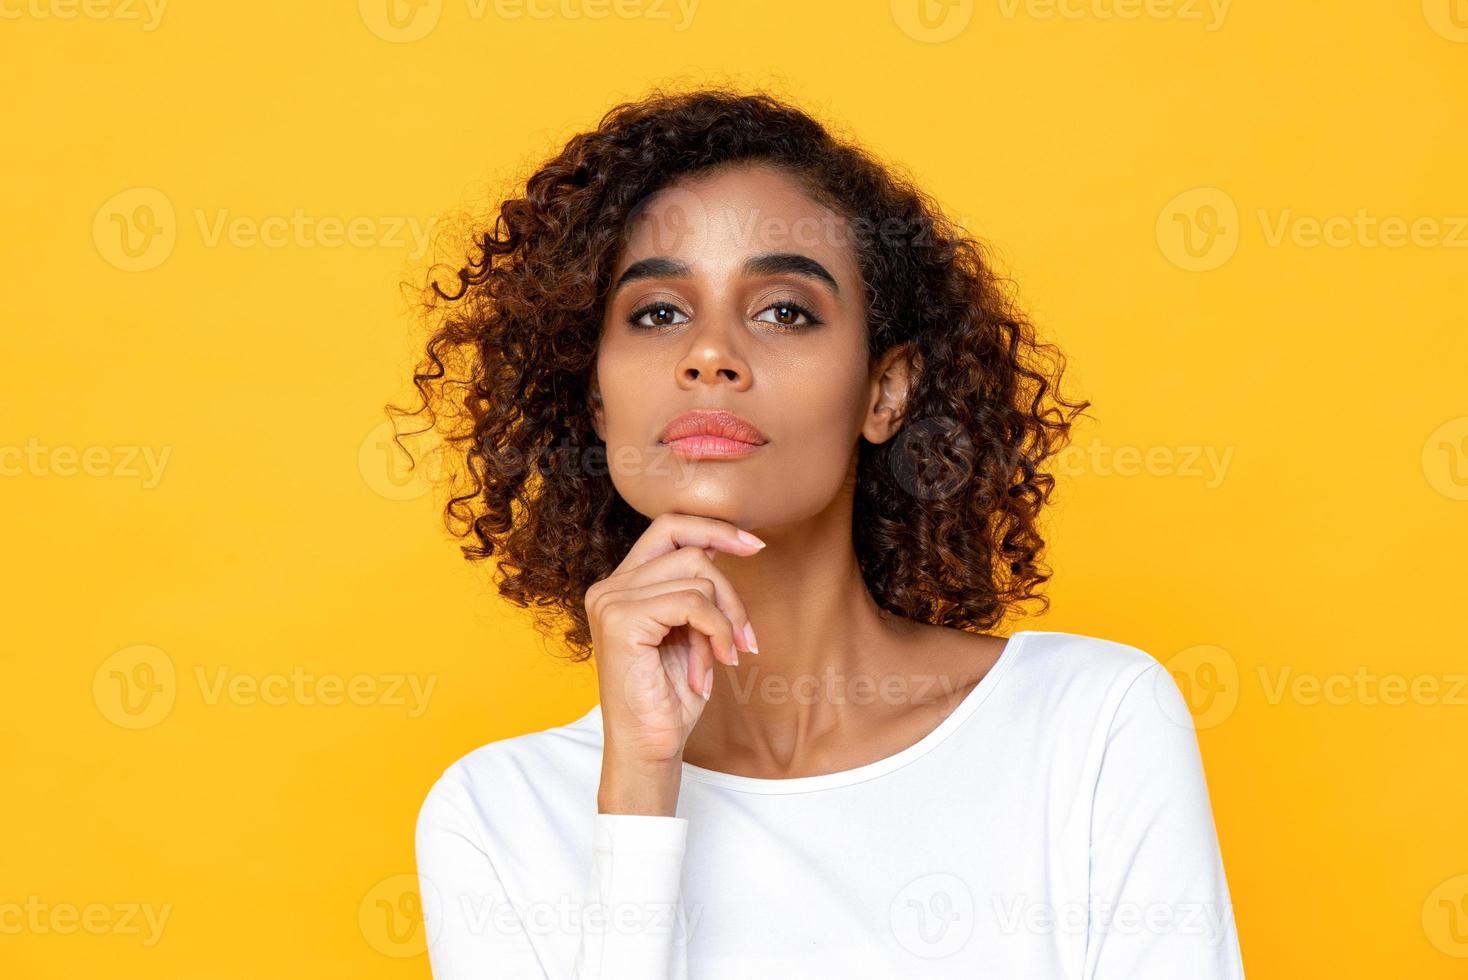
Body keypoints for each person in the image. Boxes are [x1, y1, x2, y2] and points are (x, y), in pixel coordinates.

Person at [395, 86, 1246, 978]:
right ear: (597, 397)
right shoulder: (497, 815)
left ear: (886, 392)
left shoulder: (1090, 726)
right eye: (657, 313)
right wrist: (640, 787)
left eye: (783, 311)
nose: (709, 352)